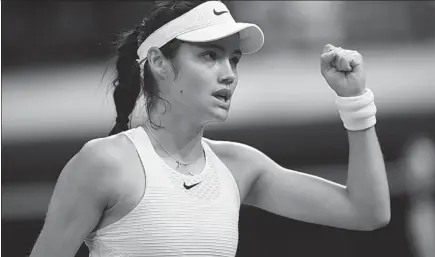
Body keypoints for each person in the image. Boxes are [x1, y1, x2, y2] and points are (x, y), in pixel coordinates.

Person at [29, 1, 391, 257]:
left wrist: (355, 101)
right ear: (158, 62)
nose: (229, 73)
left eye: (233, 59)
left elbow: (367, 212)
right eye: (209, 56)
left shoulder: (240, 166)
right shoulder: (104, 162)